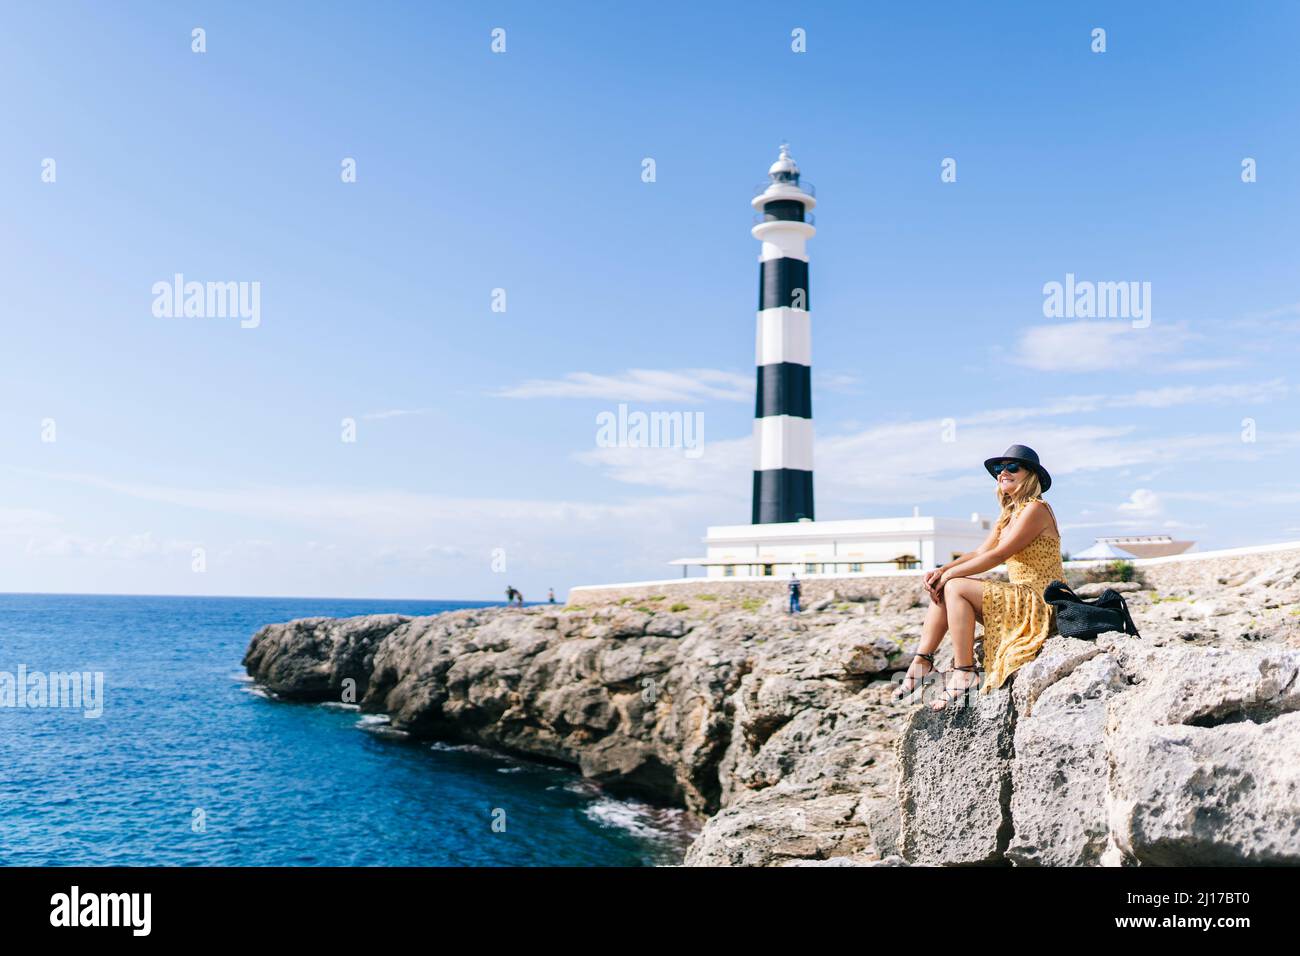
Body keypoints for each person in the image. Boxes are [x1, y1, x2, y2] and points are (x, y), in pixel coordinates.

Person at [893, 444, 1064, 711]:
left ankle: (965, 671)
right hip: (1019, 598)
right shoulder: (1008, 515)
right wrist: (942, 571)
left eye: (1012, 467)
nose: (1002, 473)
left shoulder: (1036, 509)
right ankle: (922, 661)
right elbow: (980, 552)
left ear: (1030, 475)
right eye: (999, 468)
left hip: (1039, 600)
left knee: (955, 586)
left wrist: (949, 575)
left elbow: (998, 555)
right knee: (946, 586)